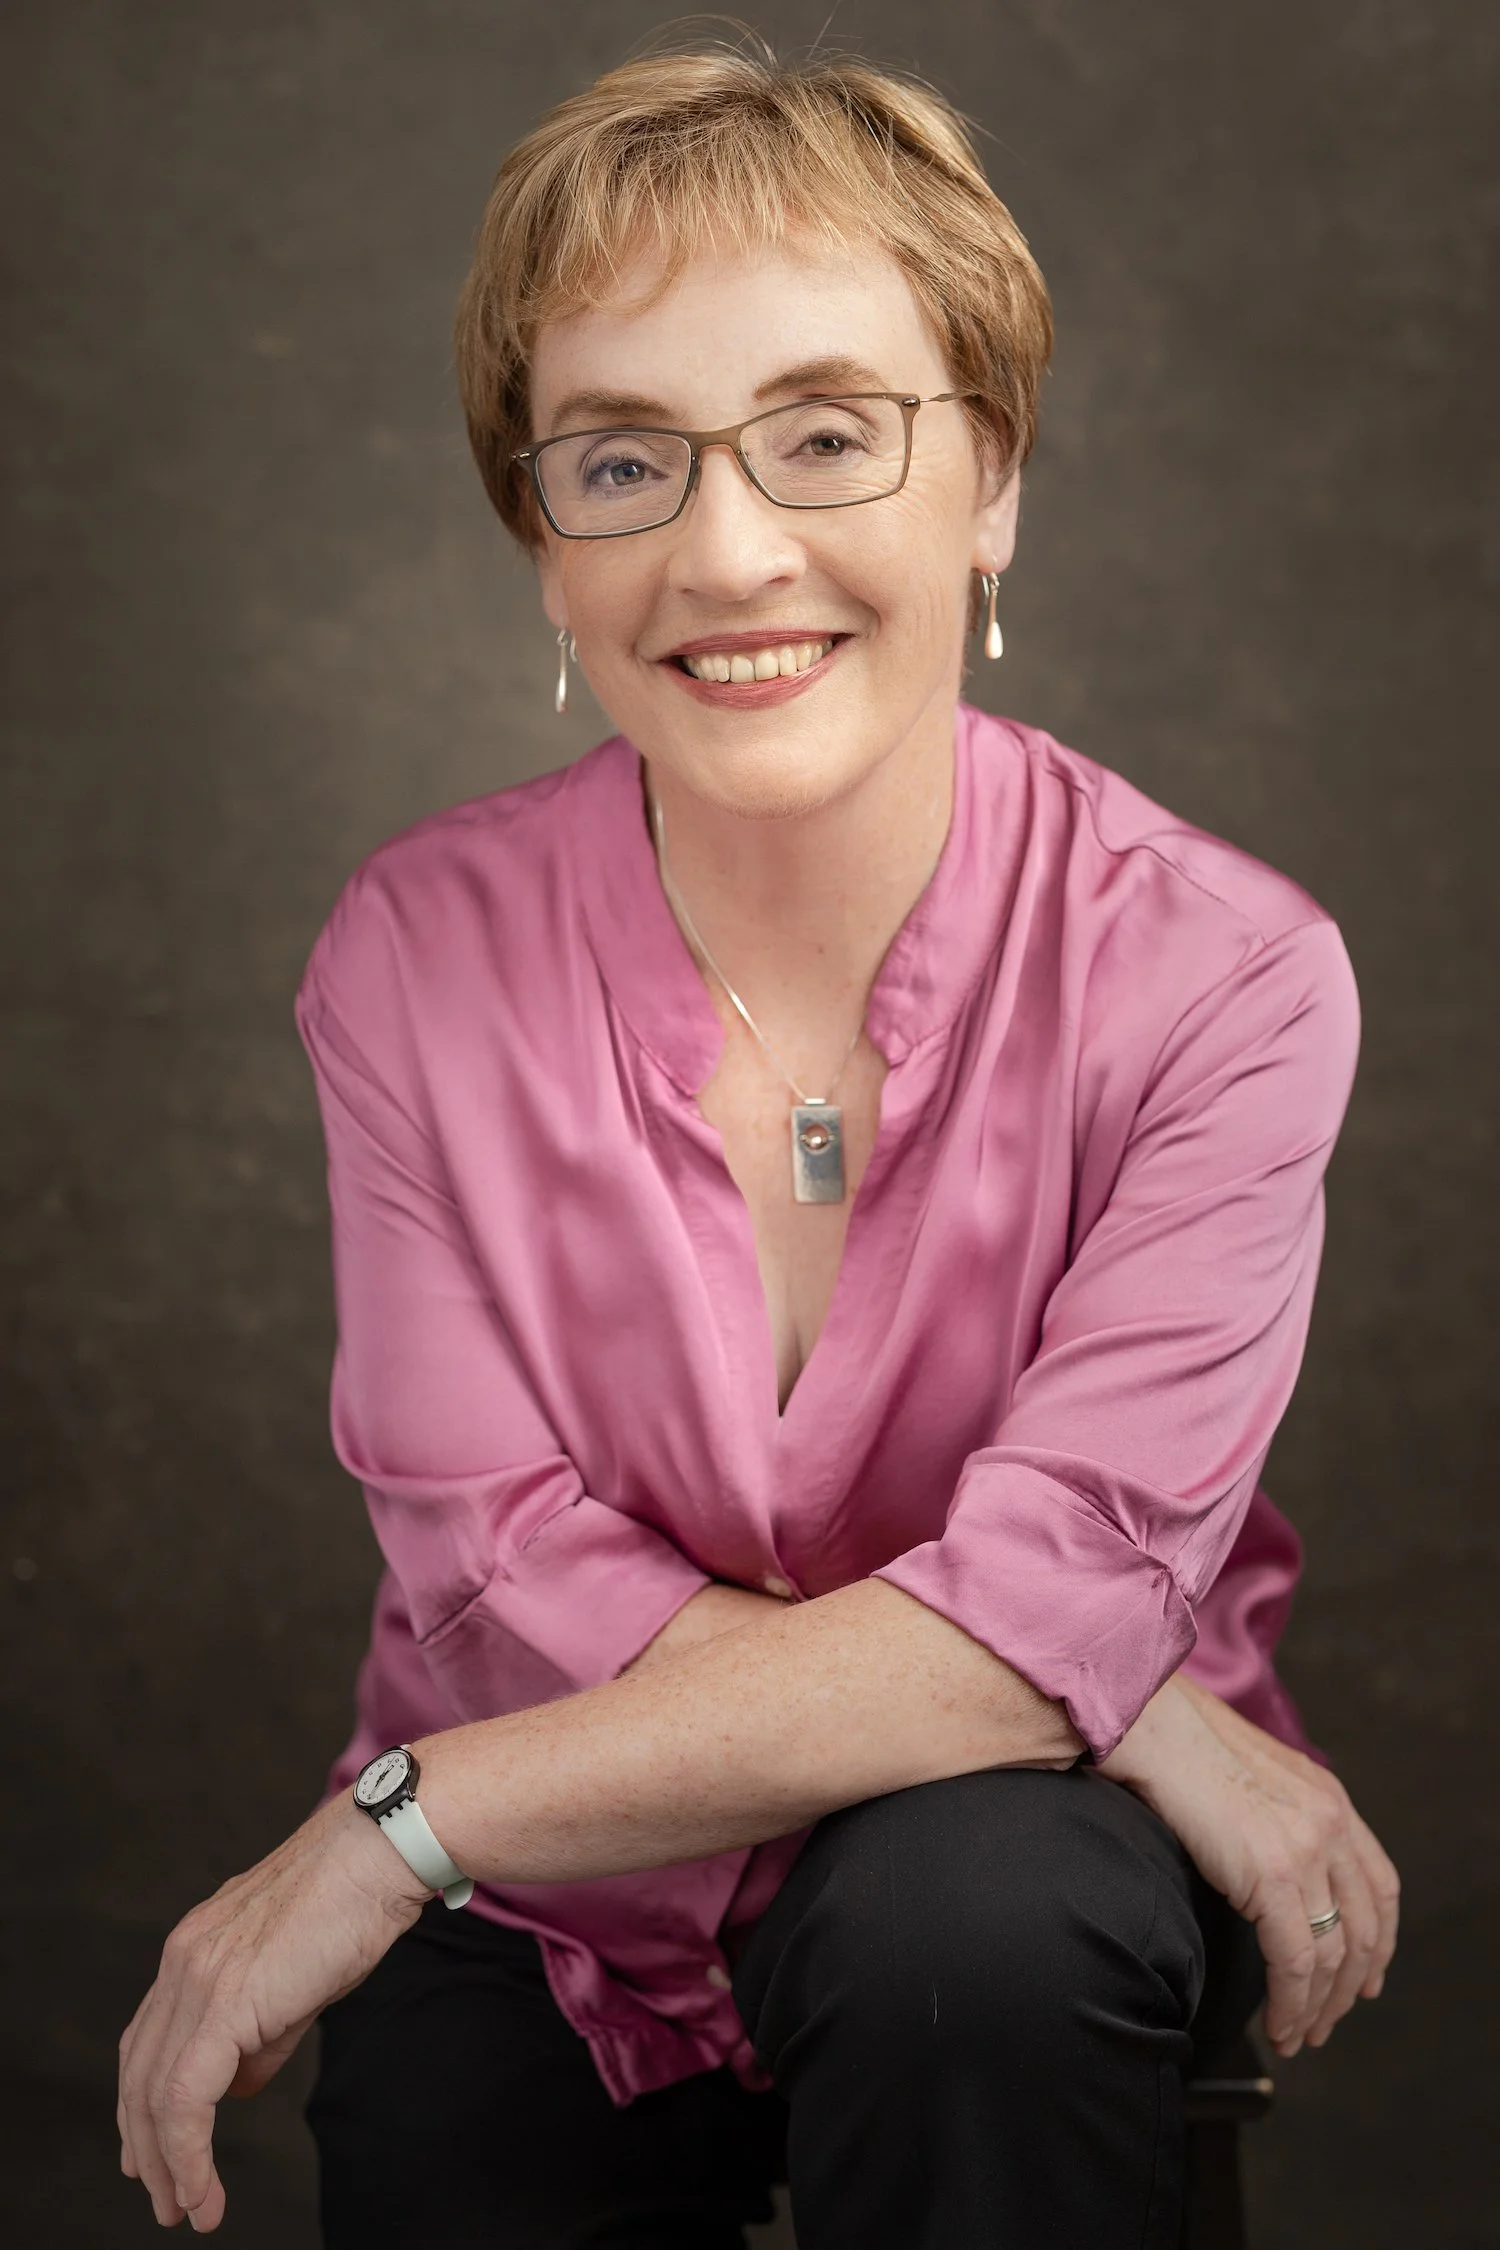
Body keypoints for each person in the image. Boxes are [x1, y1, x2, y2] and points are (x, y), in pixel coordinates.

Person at [117, 40, 1400, 2249]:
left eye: (826, 433)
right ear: (540, 543)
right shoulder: (412, 950)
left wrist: (388, 1827)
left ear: (990, 479)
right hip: (569, 1862)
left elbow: (1056, 1601)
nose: (726, 550)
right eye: (620, 460)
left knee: (970, 1930)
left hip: (956, 1872)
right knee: (450, 2124)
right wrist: (1119, 1698)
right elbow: (492, 1559)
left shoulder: (1231, 977)